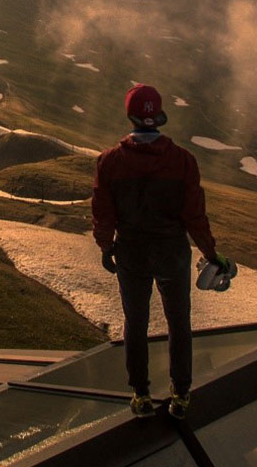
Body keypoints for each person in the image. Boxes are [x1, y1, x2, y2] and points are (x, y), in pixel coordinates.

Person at [91, 83, 228, 419]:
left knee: (135, 322)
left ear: (131, 115)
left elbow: (103, 212)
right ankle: (180, 395)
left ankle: (140, 395)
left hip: (132, 252)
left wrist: (107, 247)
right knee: (178, 321)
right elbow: (195, 216)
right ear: (160, 115)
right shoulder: (182, 161)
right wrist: (211, 255)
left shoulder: (110, 162)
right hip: (172, 252)